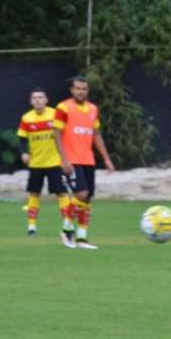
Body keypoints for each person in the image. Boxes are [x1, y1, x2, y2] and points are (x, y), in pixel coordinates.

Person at [53, 76, 114, 249]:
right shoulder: (63, 107)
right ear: (72, 90)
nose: (81, 91)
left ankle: (81, 238)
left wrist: (106, 158)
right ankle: (65, 230)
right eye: (78, 88)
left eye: (84, 89)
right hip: (71, 160)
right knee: (81, 194)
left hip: (88, 159)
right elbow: (56, 133)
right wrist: (64, 159)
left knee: (87, 199)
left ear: (88, 90)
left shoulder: (93, 109)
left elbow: (96, 134)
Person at [17, 88, 71, 236]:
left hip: (55, 162)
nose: (38, 100)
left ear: (46, 100)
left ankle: (68, 224)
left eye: (40, 97)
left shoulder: (55, 115)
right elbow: (22, 139)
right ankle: (32, 226)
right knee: (34, 194)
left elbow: (65, 134)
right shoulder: (27, 118)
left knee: (61, 193)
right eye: (34, 98)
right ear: (31, 101)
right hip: (36, 163)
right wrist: (24, 153)